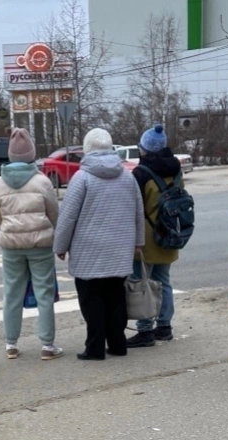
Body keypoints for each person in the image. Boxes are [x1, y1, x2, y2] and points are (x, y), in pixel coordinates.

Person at [53, 128, 144, 361]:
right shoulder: (127, 176)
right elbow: (138, 211)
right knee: (116, 297)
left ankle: (94, 348)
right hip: (120, 249)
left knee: (91, 300)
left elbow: (68, 216)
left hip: (88, 250)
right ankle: (118, 344)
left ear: (87, 149)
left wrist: (60, 246)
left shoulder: (82, 178)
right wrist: (138, 242)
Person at [0, 128, 63, 361]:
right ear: (32, 153)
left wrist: (8, 230)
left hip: (11, 245)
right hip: (40, 245)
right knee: (44, 292)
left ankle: (11, 344)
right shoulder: (42, 181)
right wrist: (56, 236)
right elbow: (54, 212)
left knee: (12, 293)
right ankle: (47, 346)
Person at [126, 124, 182, 348]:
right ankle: (164, 327)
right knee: (163, 281)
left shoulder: (141, 174)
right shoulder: (176, 169)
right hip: (170, 232)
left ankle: (145, 329)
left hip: (147, 238)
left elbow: (134, 207)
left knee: (142, 283)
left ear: (145, 149)